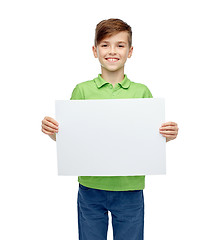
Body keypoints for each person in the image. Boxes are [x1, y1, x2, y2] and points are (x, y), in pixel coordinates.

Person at [41, 18, 179, 240]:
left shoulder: (142, 92)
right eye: (105, 45)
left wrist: (167, 135)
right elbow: (73, 139)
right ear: (95, 51)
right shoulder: (82, 91)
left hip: (130, 188)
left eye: (120, 45)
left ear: (130, 51)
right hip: (91, 187)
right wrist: (53, 132)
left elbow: (148, 139)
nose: (112, 51)